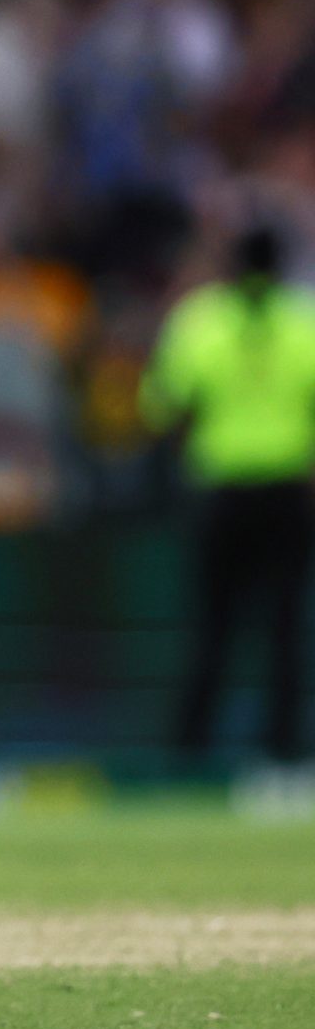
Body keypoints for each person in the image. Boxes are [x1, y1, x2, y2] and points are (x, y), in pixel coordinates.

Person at [143, 224, 315, 767]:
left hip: (220, 493)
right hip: (287, 493)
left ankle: (190, 757)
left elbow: (162, 407)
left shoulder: (200, 321)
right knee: (285, 629)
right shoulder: (303, 323)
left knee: (212, 628)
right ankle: (283, 756)